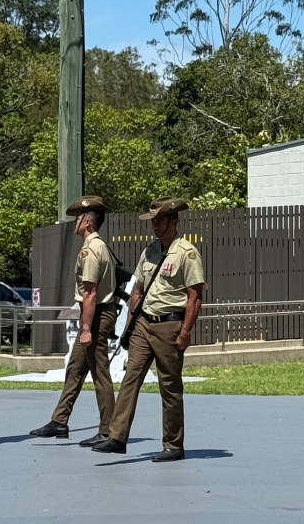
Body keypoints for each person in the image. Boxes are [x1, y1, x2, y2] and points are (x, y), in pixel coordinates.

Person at [92, 198, 204, 462]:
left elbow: (195, 297)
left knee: (170, 386)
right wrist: (131, 323)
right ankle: (117, 437)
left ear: (174, 221)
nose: (155, 225)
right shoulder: (149, 251)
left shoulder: (187, 253)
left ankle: (173, 445)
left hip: (170, 325)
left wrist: (185, 332)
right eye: (153, 221)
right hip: (144, 323)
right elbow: (138, 291)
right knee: (131, 377)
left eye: (160, 220)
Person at [29, 195, 120, 446]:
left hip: (97, 315)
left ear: (88, 222)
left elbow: (90, 293)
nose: (75, 222)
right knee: (75, 369)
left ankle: (109, 430)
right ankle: (60, 421)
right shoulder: (95, 247)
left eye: (78, 218)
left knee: (99, 372)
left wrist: (87, 328)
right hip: (94, 315)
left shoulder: (92, 250)